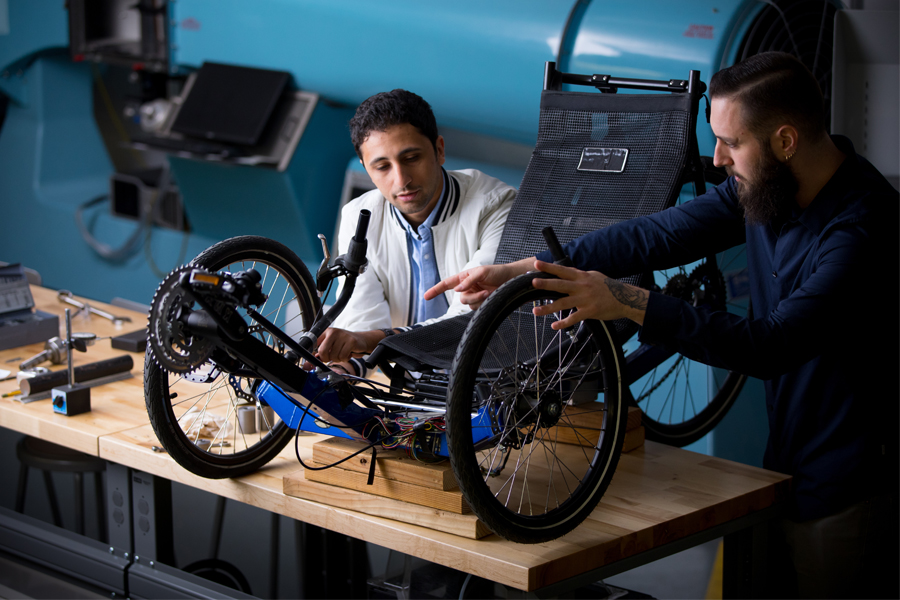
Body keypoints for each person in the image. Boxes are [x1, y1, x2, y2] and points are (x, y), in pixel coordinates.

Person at [426, 52, 898, 598]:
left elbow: (771, 346)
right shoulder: (771, 187)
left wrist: (627, 300)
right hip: (788, 462)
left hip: (851, 491)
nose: (717, 158)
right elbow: (659, 234)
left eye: (731, 142)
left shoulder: (862, 232)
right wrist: (528, 267)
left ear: (786, 141)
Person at [317, 89, 516, 376]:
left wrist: (370, 340)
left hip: (485, 383)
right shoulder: (358, 216)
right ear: (366, 168)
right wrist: (343, 369)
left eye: (411, 158)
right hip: (404, 387)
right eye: (382, 166)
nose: (401, 180)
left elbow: (469, 321)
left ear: (439, 150)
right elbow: (362, 319)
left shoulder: (497, 204)